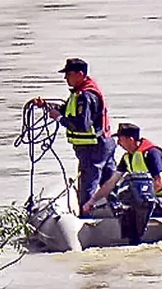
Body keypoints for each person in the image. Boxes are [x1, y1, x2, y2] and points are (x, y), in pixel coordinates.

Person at [32, 58, 115, 214]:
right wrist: (47, 106)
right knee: (109, 182)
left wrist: (58, 118)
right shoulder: (81, 93)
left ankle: (87, 219)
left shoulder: (85, 96)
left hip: (93, 148)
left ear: (80, 74)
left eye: (68, 74)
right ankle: (119, 213)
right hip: (103, 144)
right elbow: (67, 110)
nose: (65, 78)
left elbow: (82, 125)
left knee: (88, 185)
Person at [82, 122, 162, 218]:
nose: (118, 143)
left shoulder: (152, 154)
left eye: (120, 139)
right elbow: (111, 183)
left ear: (130, 140)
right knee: (116, 205)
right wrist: (92, 201)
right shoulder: (127, 157)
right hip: (144, 200)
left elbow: (158, 183)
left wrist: (138, 198)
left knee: (130, 211)